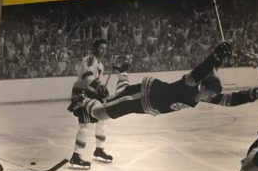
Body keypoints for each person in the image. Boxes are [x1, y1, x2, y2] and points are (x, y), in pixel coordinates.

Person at [68, 41, 232, 122]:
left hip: (144, 105)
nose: (209, 98)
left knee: (120, 94)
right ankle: (82, 100)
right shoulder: (191, 86)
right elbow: (200, 70)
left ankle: (122, 72)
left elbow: (229, 98)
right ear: (203, 86)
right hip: (144, 95)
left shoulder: (197, 99)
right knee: (100, 114)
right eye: (209, 94)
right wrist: (214, 57)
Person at [69, 39, 112, 170]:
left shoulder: (100, 64)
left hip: (89, 94)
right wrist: (100, 86)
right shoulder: (91, 59)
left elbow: (93, 81)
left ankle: (99, 149)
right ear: (94, 48)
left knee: (102, 119)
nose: (103, 51)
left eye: (105, 48)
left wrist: (100, 91)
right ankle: (76, 156)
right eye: (101, 48)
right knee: (85, 124)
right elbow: (88, 76)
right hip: (82, 93)